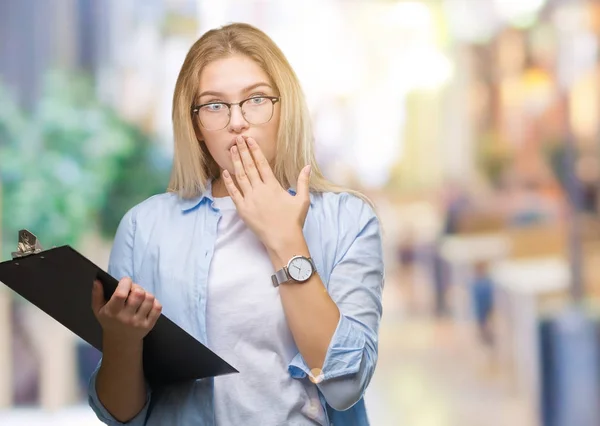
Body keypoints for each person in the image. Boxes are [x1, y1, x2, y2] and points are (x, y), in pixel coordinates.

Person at [87, 22, 384, 426]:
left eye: (256, 99)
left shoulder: (348, 220)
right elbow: (120, 416)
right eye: (214, 105)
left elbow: (346, 387)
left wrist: (285, 240)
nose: (237, 121)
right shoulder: (145, 228)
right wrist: (122, 342)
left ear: (286, 107)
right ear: (195, 126)